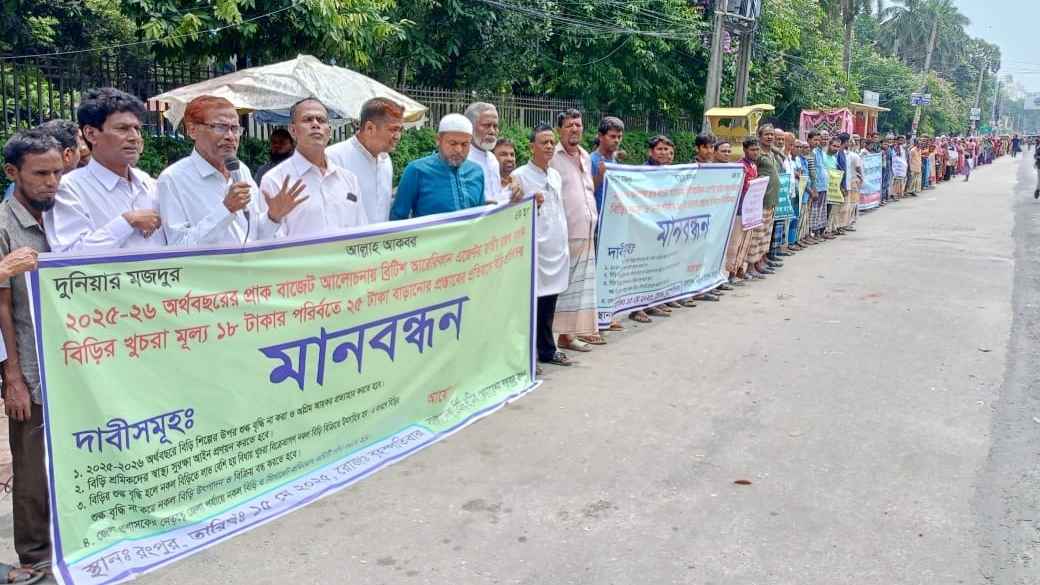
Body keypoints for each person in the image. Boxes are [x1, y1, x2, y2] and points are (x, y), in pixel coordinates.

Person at [0, 129, 62, 584]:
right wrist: (14, 379)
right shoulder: (4, 227)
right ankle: (36, 555)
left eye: (57, 172)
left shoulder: (63, 217)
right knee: (32, 465)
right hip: (30, 365)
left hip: (73, 361)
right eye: (40, 173)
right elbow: (1, 306)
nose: (52, 182)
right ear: (12, 173)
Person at [159, 96, 304, 247]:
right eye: (220, 127)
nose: (230, 137)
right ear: (192, 130)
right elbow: (179, 248)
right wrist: (226, 210)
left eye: (235, 129)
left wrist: (273, 217)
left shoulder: (240, 169)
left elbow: (254, 235)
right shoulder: (172, 179)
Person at [48, 87, 164, 252]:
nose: (134, 138)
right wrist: (127, 222)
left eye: (137, 129)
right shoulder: (68, 189)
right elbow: (69, 256)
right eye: (122, 129)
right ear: (91, 134)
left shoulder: (150, 184)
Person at [260, 98, 367, 236]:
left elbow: (362, 232)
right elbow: (266, 243)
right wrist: (273, 218)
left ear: (329, 131)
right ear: (293, 130)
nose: (315, 124)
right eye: (307, 119)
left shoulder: (349, 179)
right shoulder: (275, 180)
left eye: (321, 120)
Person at [549, 109, 611, 346]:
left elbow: (588, 190)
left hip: (586, 230)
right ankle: (557, 336)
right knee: (565, 287)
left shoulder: (585, 156)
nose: (575, 129)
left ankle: (569, 334)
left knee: (580, 289)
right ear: (559, 129)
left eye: (578, 125)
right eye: (569, 125)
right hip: (566, 231)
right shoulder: (553, 157)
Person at [512, 123, 571, 368]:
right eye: (543, 142)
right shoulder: (520, 176)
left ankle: (547, 349)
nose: (549, 146)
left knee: (549, 303)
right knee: (531, 303)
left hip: (556, 248)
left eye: (551, 142)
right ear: (531, 147)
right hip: (534, 249)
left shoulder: (555, 175)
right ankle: (527, 355)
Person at [389, 113, 486, 220]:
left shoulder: (477, 171)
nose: (459, 150)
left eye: (464, 144)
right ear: (438, 140)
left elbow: (480, 215)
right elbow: (398, 217)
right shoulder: (416, 170)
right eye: (453, 143)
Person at [326, 97, 403, 223]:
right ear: (369, 128)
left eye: (400, 130)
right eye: (393, 129)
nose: (398, 136)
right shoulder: (333, 158)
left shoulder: (386, 161)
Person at [463, 102, 520, 204]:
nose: (492, 131)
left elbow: (498, 192)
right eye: (487, 125)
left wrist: (513, 188)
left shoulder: (492, 159)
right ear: (470, 127)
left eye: (495, 126)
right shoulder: (462, 159)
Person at [725, 138, 761, 282]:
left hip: (751, 209)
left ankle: (740, 269)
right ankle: (731, 274)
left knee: (746, 241)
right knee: (736, 242)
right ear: (745, 150)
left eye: (757, 149)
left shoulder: (753, 165)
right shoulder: (740, 166)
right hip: (740, 208)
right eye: (752, 149)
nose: (755, 152)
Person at [748, 124, 780, 276]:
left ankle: (761, 261)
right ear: (759, 136)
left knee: (766, 235)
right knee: (757, 235)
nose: (770, 137)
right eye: (766, 134)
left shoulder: (772, 153)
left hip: (771, 200)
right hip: (761, 200)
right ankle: (752, 266)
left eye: (772, 134)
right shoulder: (757, 154)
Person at [590, 117, 624, 214]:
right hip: (597, 222)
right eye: (612, 136)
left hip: (612, 218)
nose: (617, 140)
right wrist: (600, 176)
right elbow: (585, 193)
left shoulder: (614, 161)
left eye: (619, 137)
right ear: (600, 136)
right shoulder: (590, 160)